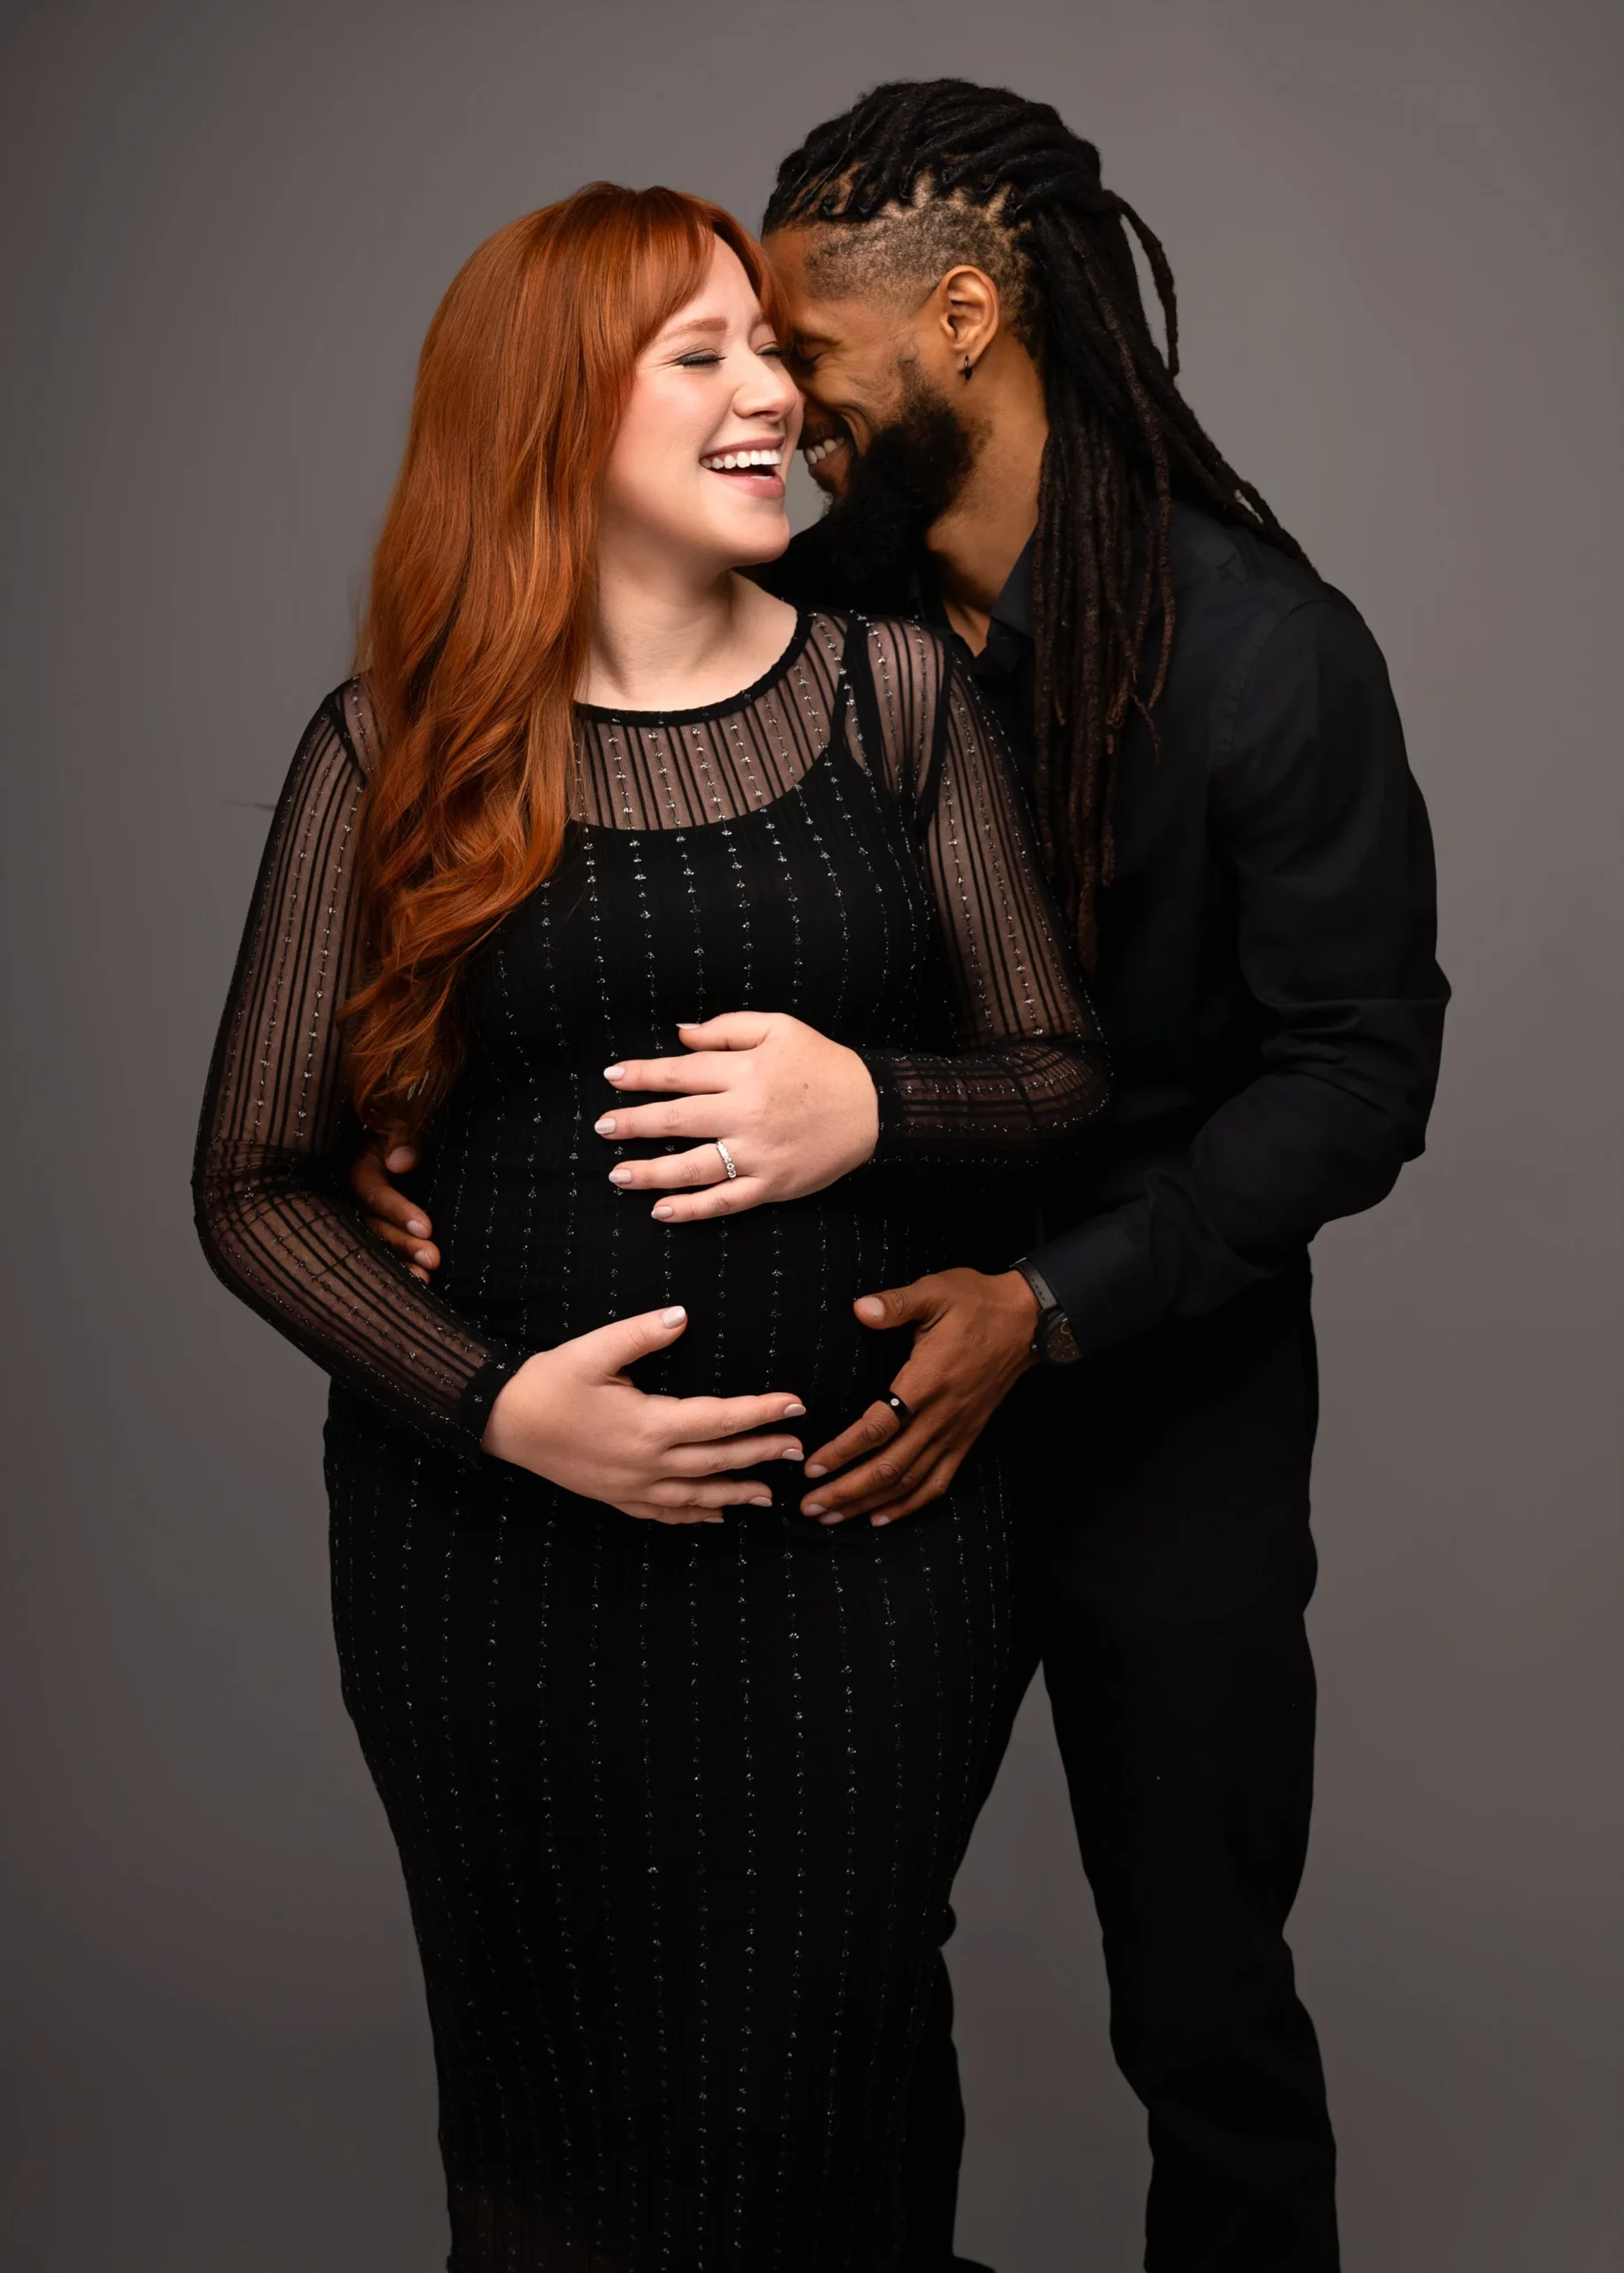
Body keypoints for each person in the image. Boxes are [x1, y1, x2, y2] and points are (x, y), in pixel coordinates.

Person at [353, 80, 1451, 2273]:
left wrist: (1043, 1309)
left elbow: (1358, 1071)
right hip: (853, 1424)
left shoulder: (1261, 654)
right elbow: (598, 859)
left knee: (1204, 2010)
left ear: (963, 316)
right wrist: (413, 1090)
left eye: (809, 347)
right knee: (836, 1997)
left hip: (1162, 1417)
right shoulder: (806, 604)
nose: (777, 391)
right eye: (736, 353)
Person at [193, 180, 1105, 2271]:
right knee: (558, 2147)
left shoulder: (893, 701)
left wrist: (870, 1099)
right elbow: (250, 1182)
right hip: (490, 1579)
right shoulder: (393, 747)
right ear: (545, 419)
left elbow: (1062, 1072)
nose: (765, 389)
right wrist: (503, 1404)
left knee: (823, 2104)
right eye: (695, 354)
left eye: (764, 350)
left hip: (859, 1560)